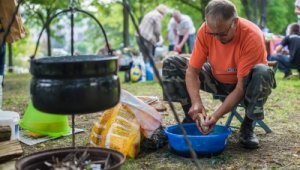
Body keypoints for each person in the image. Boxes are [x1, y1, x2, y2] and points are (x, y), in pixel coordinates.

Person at [162, 0, 276, 149]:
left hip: (245, 84)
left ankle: (248, 126)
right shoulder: (205, 30)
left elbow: (240, 88)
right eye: (212, 33)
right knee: (172, 62)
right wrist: (196, 102)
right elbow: (192, 71)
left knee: (263, 72)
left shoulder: (251, 35)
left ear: (235, 22)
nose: (216, 38)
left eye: (222, 33)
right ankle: (192, 117)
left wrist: (215, 116)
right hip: (216, 76)